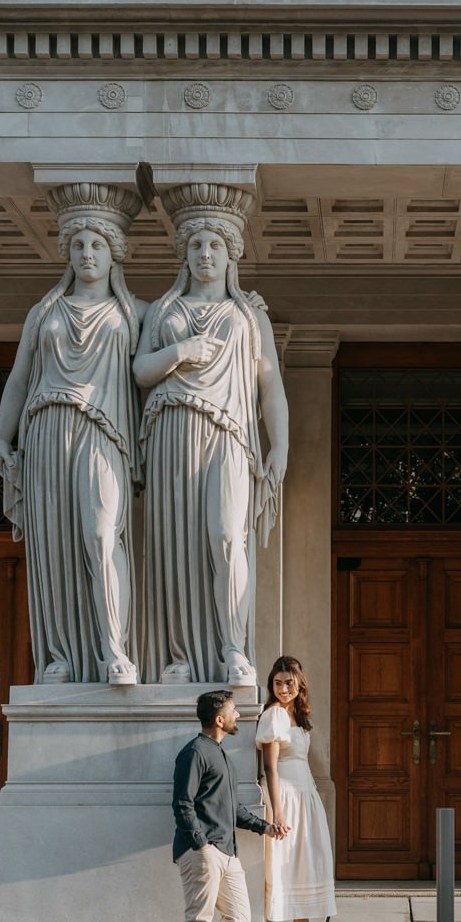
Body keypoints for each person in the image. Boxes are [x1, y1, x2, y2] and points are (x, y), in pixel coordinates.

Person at [134, 195, 288, 685]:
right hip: (172, 429)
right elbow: (140, 371)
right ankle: (179, 655)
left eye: (215, 244)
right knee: (175, 543)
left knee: (226, 536)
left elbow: (271, 387)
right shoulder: (162, 311)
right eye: (196, 244)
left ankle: (233, 647)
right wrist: (182, 350)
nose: (205, 253)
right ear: (184, 252)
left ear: (230, 254)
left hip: (230, 433)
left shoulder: (247, 314)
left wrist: (278, 445)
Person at [0, 191, 146, 684]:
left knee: (102, 536)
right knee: (53, 544)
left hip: (104, 432)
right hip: (45, 429)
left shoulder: (136, 312)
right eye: (78, 244)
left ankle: (114, 648)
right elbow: (19, 379)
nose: (86, 253)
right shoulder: (44, 312)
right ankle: (59, 657)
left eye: (97, 244)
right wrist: (2, 436)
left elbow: (189, 316)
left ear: (113, 251)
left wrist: (242, 306)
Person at [171, 688, 276, 922]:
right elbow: (182, 804)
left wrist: (265, 827)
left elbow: (232, 810)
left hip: (228, 852)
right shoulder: (194, 753)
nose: (238, 716)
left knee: (240, 917)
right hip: (202, 850)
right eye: (233, 711)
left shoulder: (222, 756)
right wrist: (201, 843)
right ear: (218, 719)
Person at [257, 656, 338, 922]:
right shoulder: (274, 716)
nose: (283, 689)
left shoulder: (297, 716)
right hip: (287, 797)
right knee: (297, 862)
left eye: (289, 683)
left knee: (310, 860)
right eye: (277, 683)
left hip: (305, 794)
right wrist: (277, 811)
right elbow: (270, 767)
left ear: (299, 683)